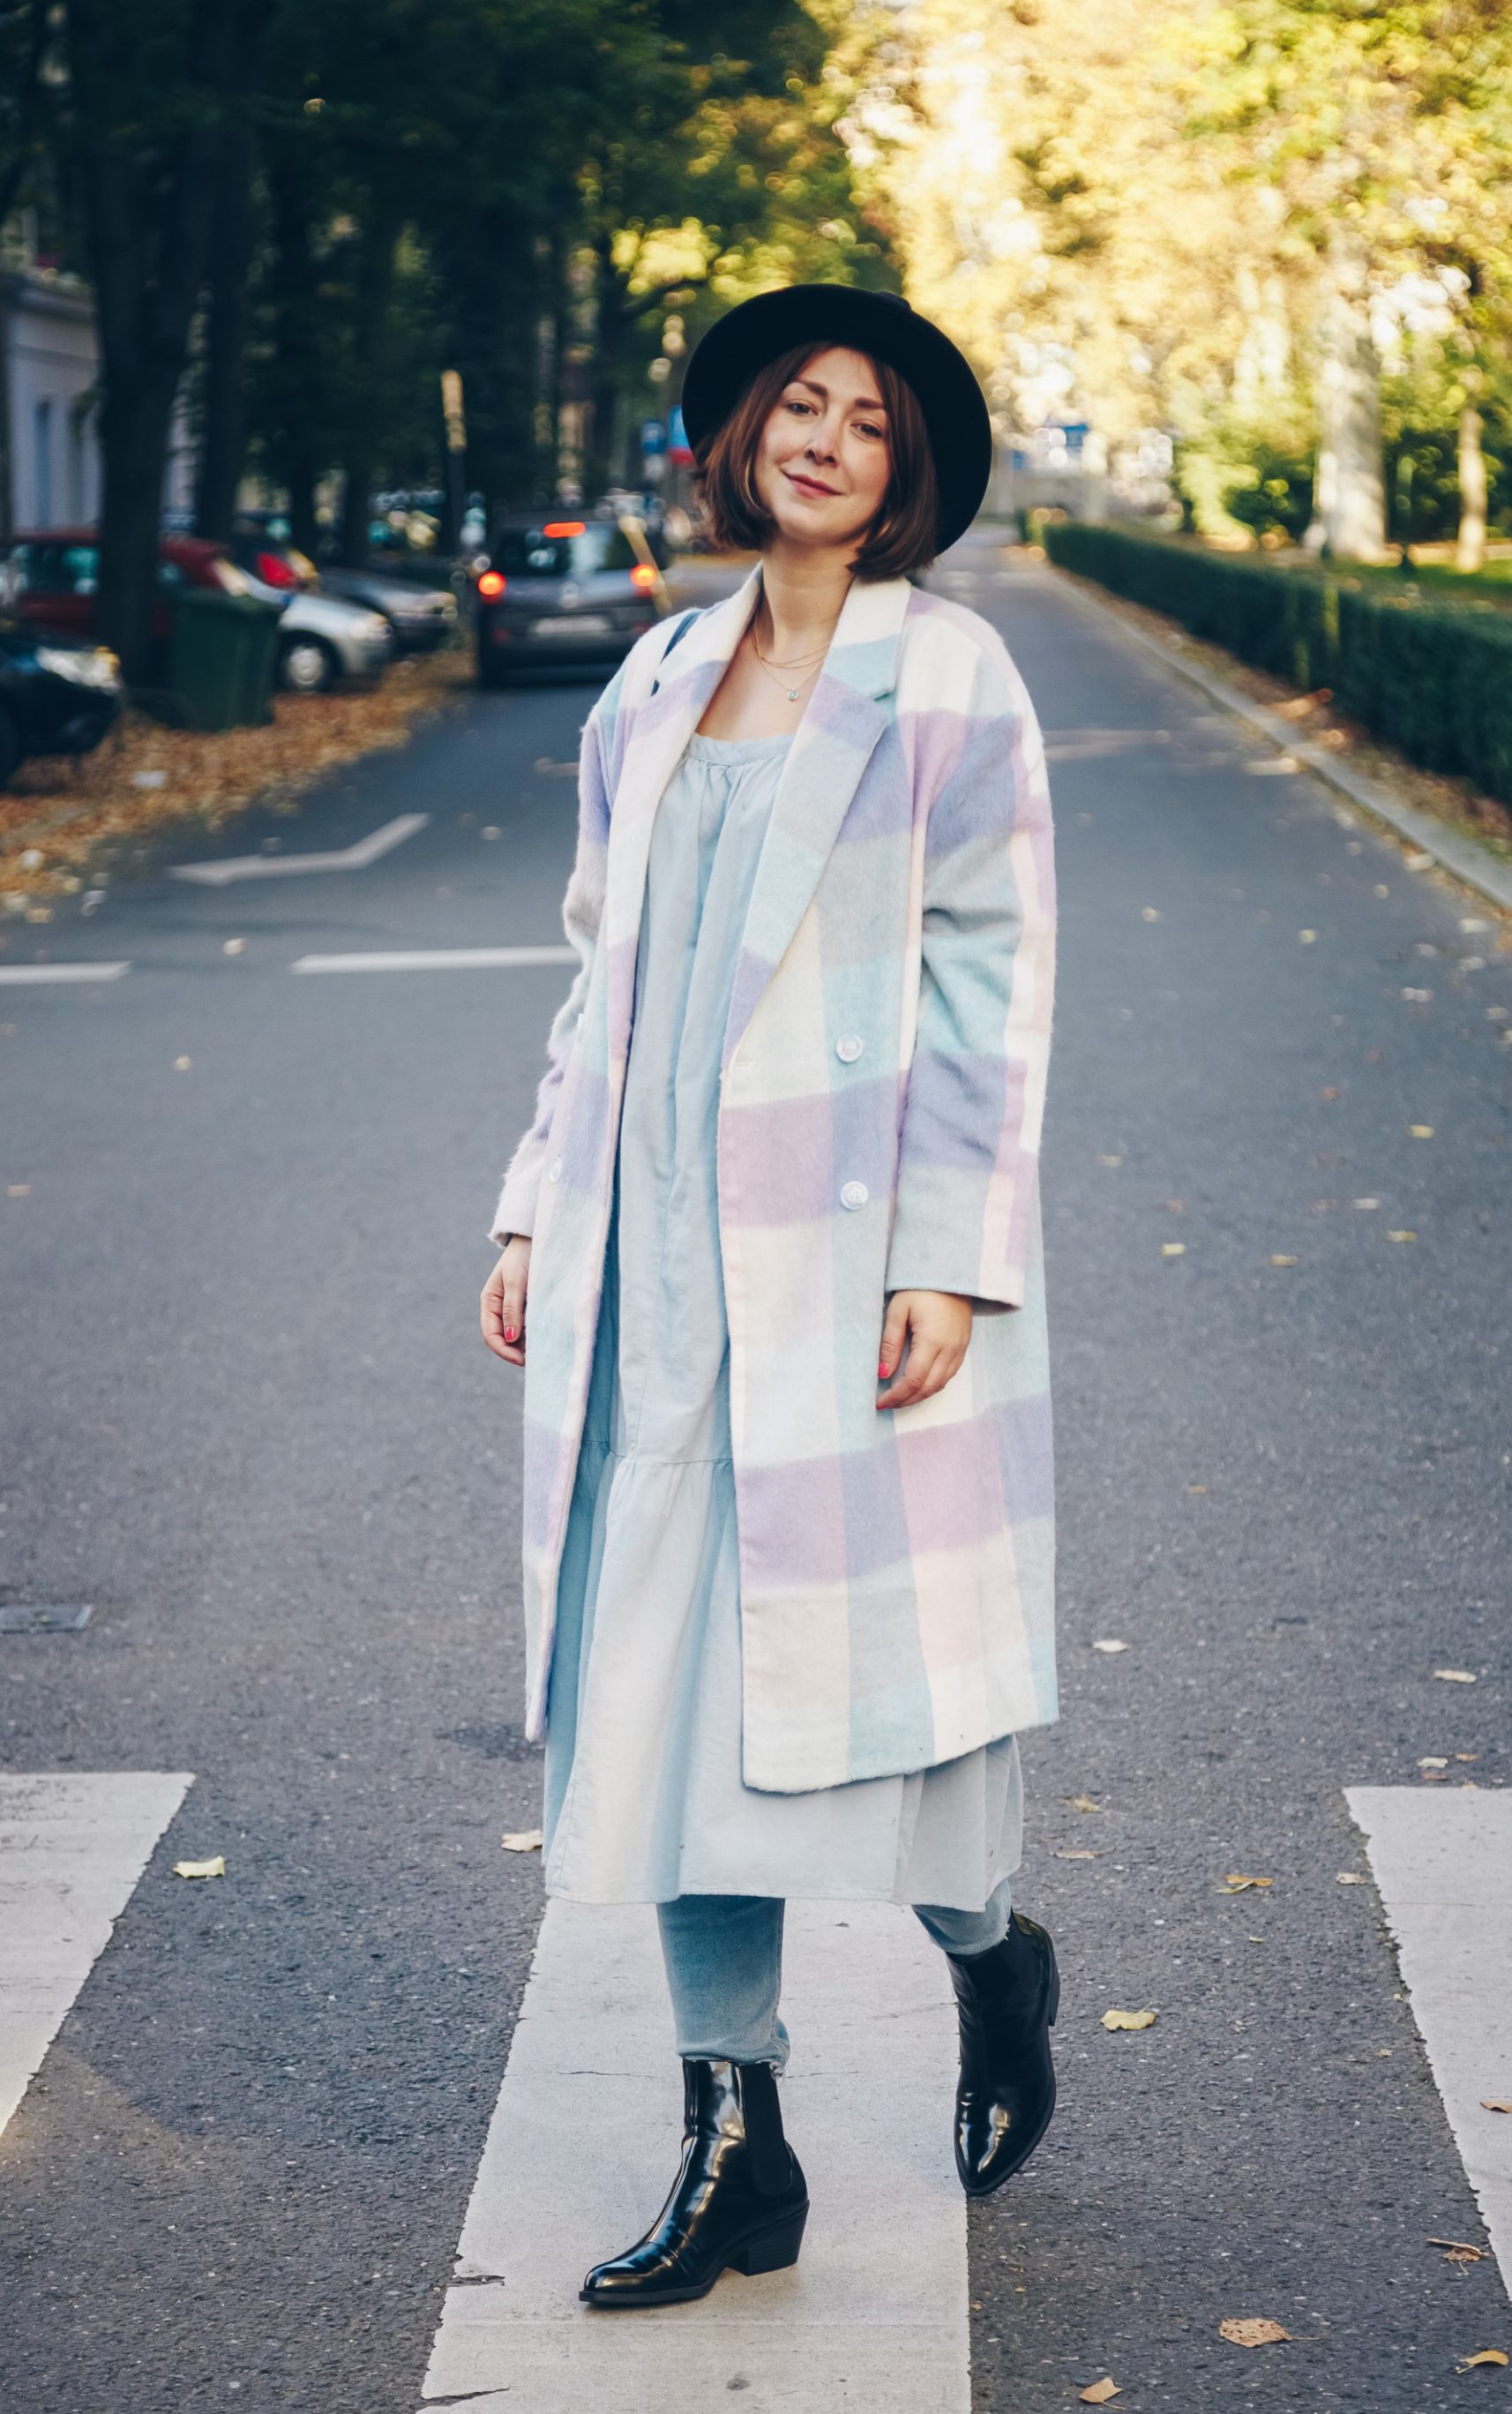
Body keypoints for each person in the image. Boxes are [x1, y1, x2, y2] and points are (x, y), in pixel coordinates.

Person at [480, 283, 1059, 2312]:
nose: (821, 438)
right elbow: (592, 977)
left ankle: (997, 1968)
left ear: (900, 479)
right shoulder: (650, 674)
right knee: (669, 1712)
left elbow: (993, 970)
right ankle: (740, 2139)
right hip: (651, 1258)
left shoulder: (953, 679)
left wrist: (944, 1259)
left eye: (866, 424)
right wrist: (534, 1211)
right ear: (739, 438)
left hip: (843, 1258)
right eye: (793, 406)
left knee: (889, 1724)